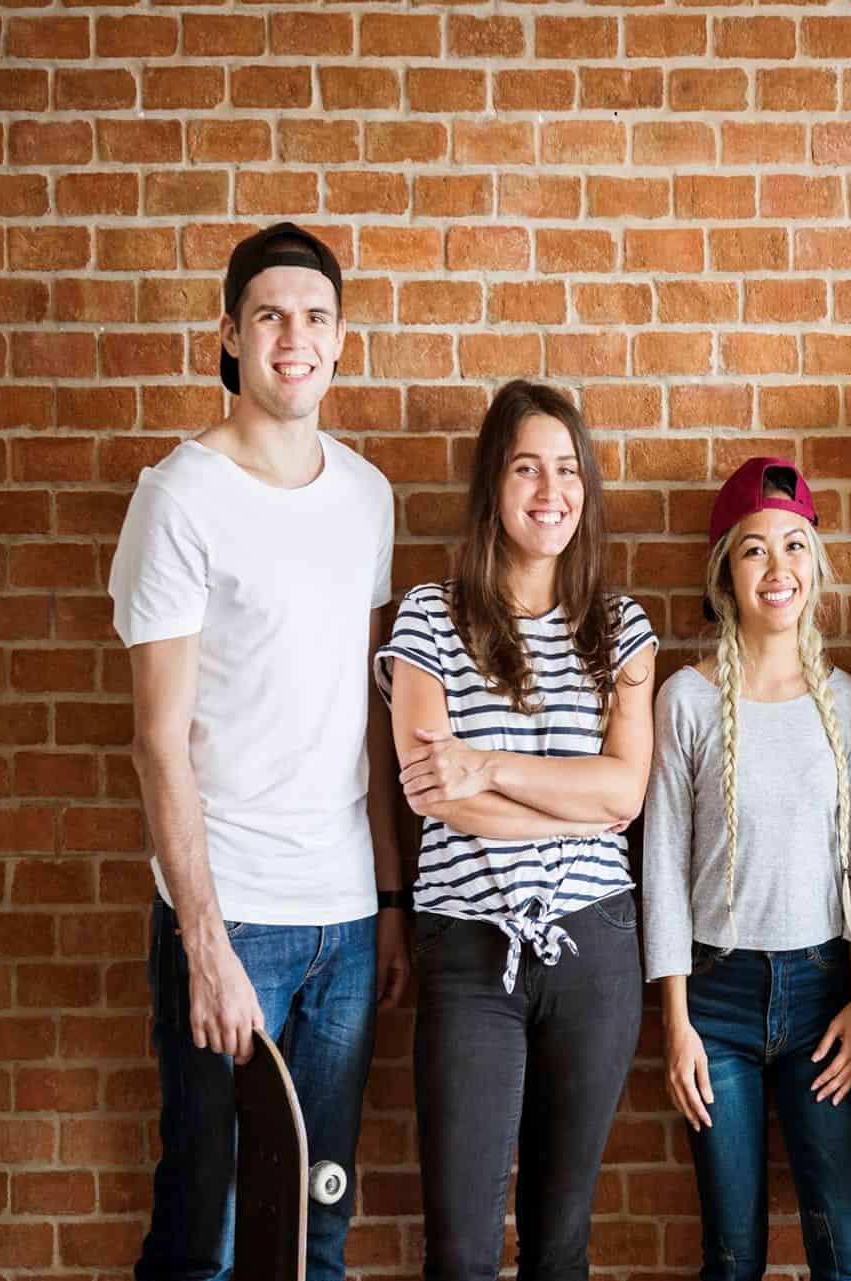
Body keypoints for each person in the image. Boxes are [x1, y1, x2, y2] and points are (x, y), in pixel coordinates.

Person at [111, 222, 404, 1281]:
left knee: (317, 1221)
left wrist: (386, 901)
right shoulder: (181, 496)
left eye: (317, 318)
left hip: (340, 926)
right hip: (232, 916)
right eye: (271, 316)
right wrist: (203, 942)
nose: (296, 338)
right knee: (209, 1227)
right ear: (230, 335)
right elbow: (155, 741)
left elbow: (360, 717)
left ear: (340, 341)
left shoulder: (367, 498)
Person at [373, 379, 656, 1281]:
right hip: (468, 950)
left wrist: (489, 765)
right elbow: (429, 793)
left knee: (559, 1241)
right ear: (493, 483)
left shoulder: (620, 628)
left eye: (568, 470)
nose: (550, 490)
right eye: (528, 467)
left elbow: (624, 794)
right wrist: (562, 799)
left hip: (596, 950)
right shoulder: (429, 615)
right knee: (459, 1247)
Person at [641, 457, 851, 1281]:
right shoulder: (686, 701)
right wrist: (677, 1023)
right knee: (732, 1255)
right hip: (717, 1003)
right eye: (755, 551)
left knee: (845, 1254)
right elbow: (662, 867)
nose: (779, 570)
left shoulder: (845, 701)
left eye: (796, 546)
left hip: (822, 1001)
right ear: (724, 573)